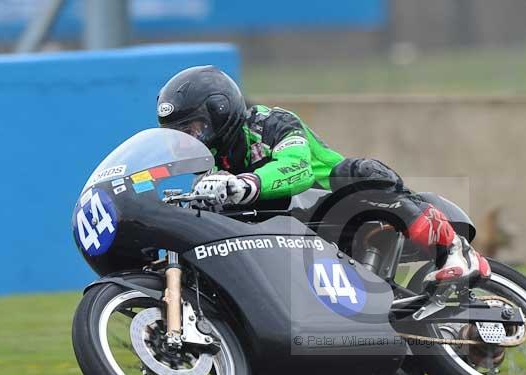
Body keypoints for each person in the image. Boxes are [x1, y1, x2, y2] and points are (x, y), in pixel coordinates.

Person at [156, 66, 490, 288]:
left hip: (338, 210)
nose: (189, 138)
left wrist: (247, 184)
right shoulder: (210, 160)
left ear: (220, 110)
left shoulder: (272, 123)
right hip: (289, 234)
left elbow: (297, 167)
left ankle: (454, 251)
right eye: (181, 133)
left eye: (194, 128)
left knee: (355, 172)